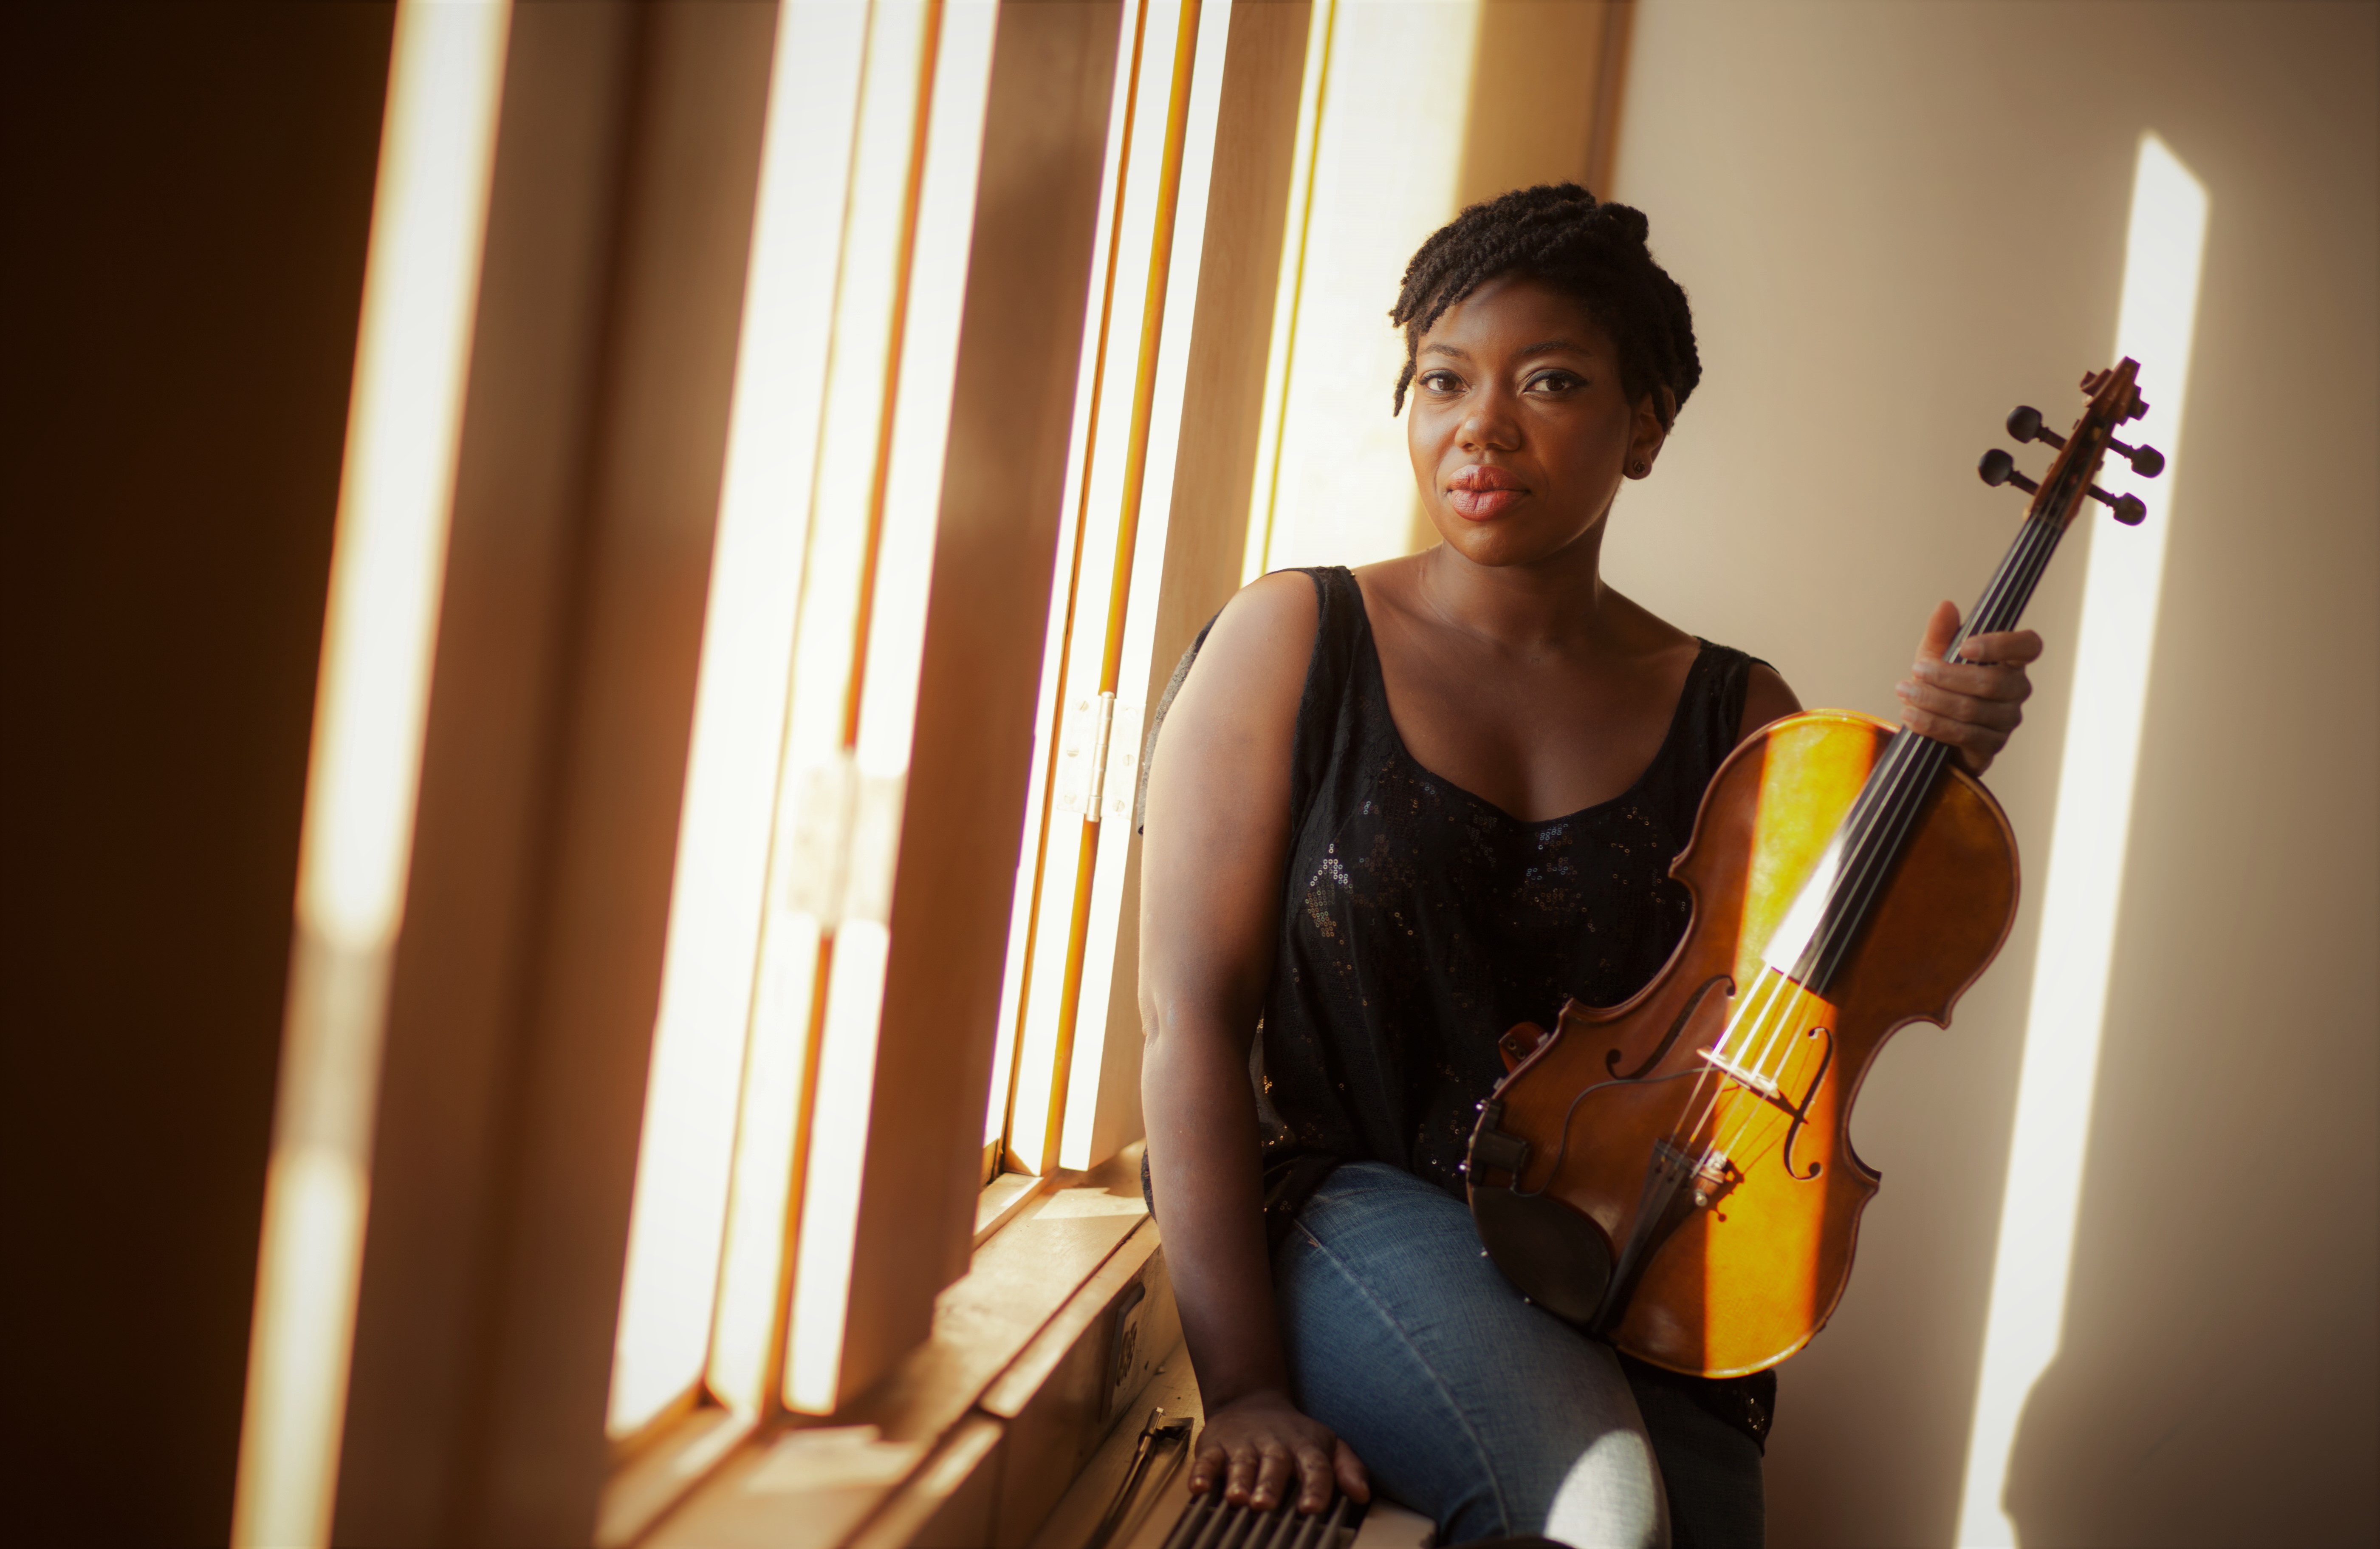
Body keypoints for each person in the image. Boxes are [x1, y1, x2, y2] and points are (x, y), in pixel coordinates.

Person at [1135, 184, 2040, 1548]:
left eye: (1548, 382)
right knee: (1599, 1519)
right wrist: (1246, 1386)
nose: (1479, 427)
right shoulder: (1292, 639)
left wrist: (1930, 771)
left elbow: (1783, 1032)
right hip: (1359, 1209)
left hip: (1630, 1251)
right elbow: (1188, 1024)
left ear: (1647, 428)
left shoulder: (1737, 711)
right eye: (1442, 381)